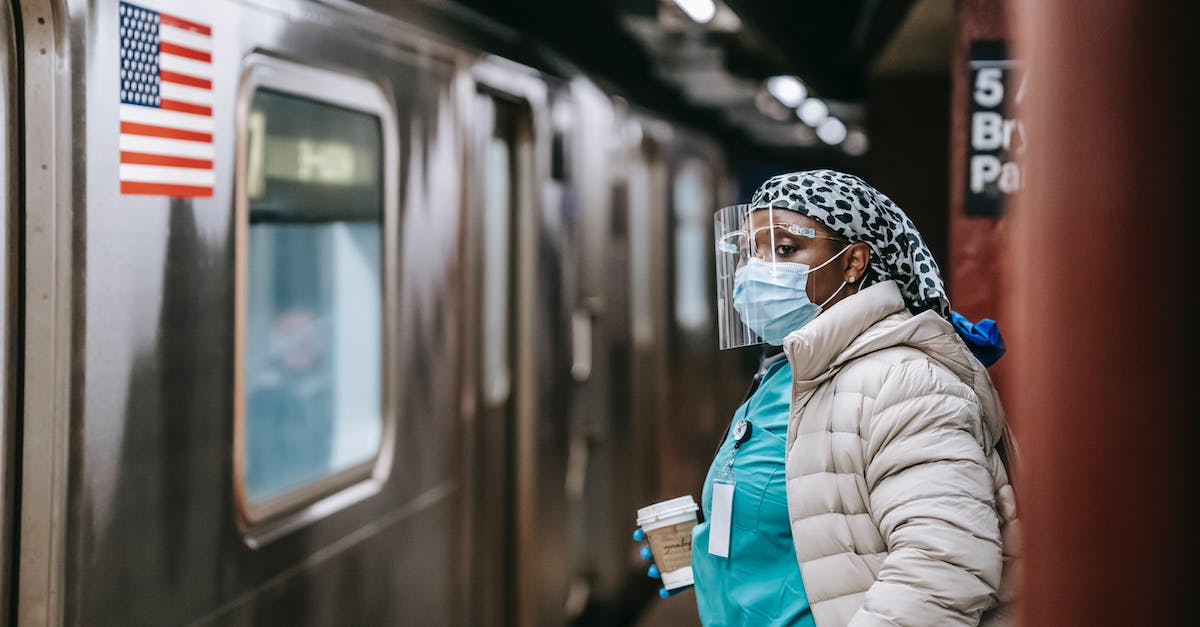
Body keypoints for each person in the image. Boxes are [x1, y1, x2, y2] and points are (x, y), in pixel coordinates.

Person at [636, 169, 1018, 626]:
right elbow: (816, 521)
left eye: (785, 249)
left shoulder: (904, 382)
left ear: (853, 262)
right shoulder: (791, 372)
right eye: (751, 252)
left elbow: (944, 569)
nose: (757, 269)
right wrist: (713, 554)